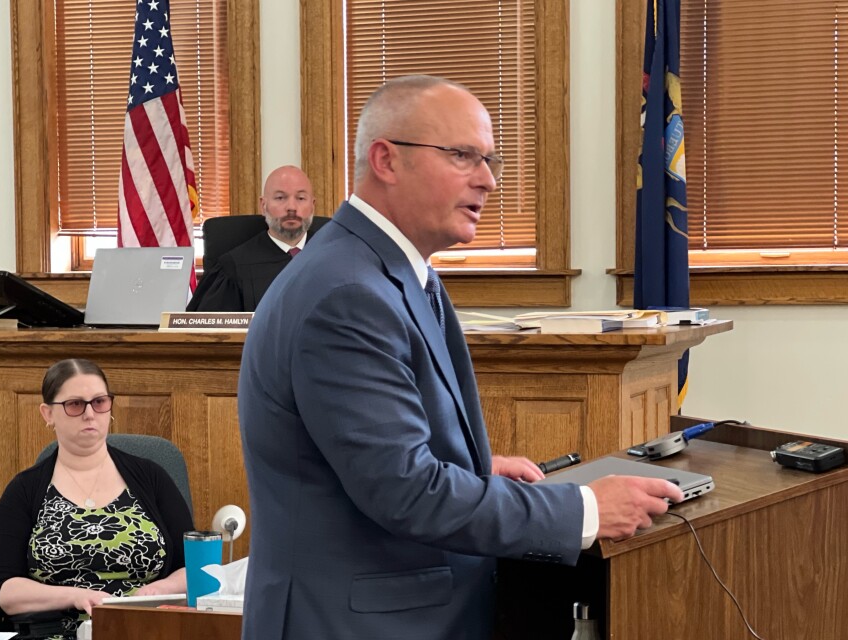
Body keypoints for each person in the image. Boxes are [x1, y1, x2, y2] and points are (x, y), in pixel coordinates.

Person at [238, 75, 683, 640]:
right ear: (386, 159)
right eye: (463, 155)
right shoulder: (348, 293)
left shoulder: (385, 270)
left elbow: (369, 456)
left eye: (489, 159)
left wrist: (475, 468)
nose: (488, 180)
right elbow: (406, 492)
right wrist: (585, 511)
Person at [0, 358, 193, 639]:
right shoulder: (25, 489)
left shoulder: (151, 477)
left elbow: (194, 568)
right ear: (47, 414)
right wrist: (74, 596)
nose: (89, 414)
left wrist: (160, 589)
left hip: (146, 630)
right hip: (57, 633)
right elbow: (3, 589)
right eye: (74, 404)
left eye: (99, 402)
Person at [187, 165, 330, 312]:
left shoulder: (335, 258)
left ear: (312, 206)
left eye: (300, 198)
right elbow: (207, 332)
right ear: (263, 206)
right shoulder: (233, 268)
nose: (291, 207)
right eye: (280, 198)